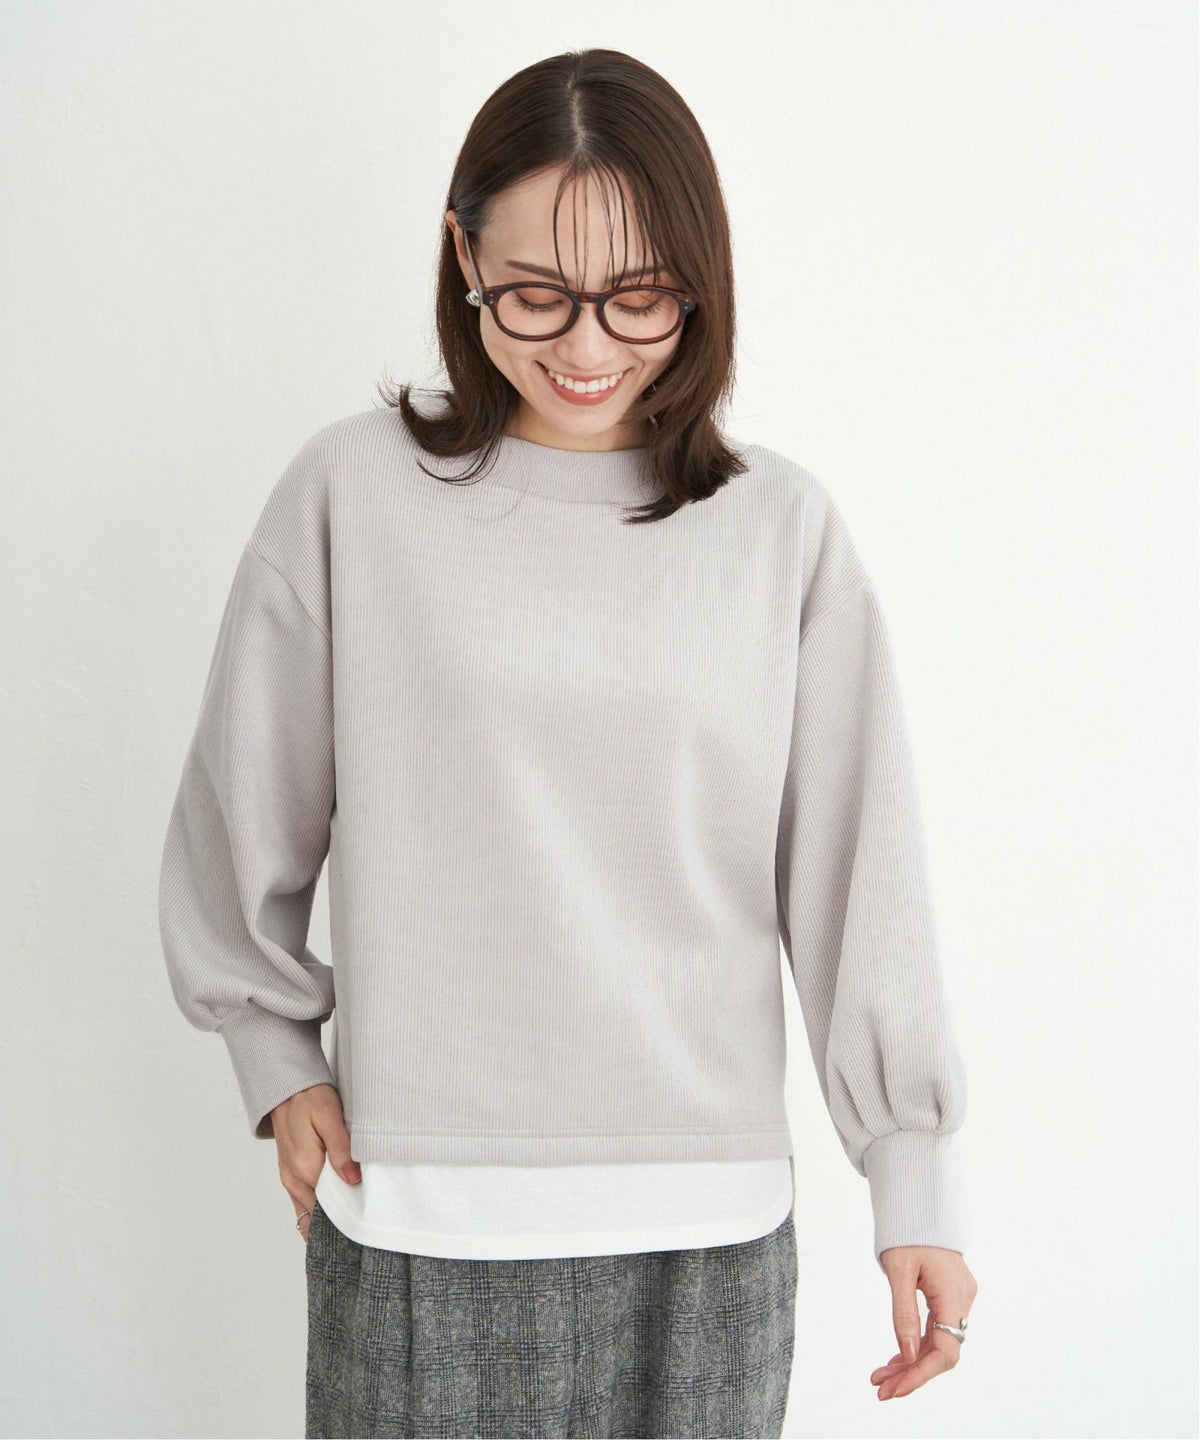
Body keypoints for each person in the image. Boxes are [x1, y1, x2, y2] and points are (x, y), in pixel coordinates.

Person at [157, 46, 978, 1440]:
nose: (588, 349)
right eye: (536, 293)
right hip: (420, 1221)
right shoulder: (353, 497)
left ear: (700, 280)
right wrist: (276, 1059)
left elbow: (858, 873)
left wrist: (914, 1175)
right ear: (462, 257)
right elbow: (238, 816)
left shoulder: (777, 529)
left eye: (639, 296)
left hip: (707, 1241)